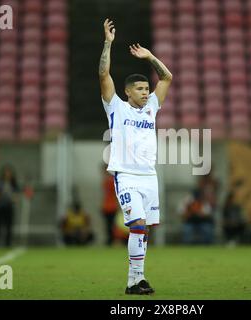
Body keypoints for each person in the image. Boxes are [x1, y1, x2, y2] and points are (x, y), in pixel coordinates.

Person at [99, 18, 172, 295]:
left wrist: (151, 56)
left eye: (146, 89)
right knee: (137, 226)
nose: (145, 93)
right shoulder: (115, 107)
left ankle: (138, 279)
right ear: (127, 92)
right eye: (140, 89)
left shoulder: (152, 107)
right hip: (126, 175)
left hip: (149, 176)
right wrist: (108, 43)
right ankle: (132, 282)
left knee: (145, 230)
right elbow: (104, 76)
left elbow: (167, 78)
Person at [0, 164, 20, 247]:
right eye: (6, 172)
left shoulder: (13, 184)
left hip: (9, 207)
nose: (8, 174)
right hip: (0, 207)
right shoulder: (0, 183)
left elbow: (16, 195)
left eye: (9, 172)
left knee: (9, 226)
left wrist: (15, 199)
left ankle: (8, 243)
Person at [101, 164, 118, 246]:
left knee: (110, 225)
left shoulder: (109, 181)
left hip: (110, 206)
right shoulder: (111, 180)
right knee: (110, 225)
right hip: (109, 206)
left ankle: (112, 240)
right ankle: (111, 240)